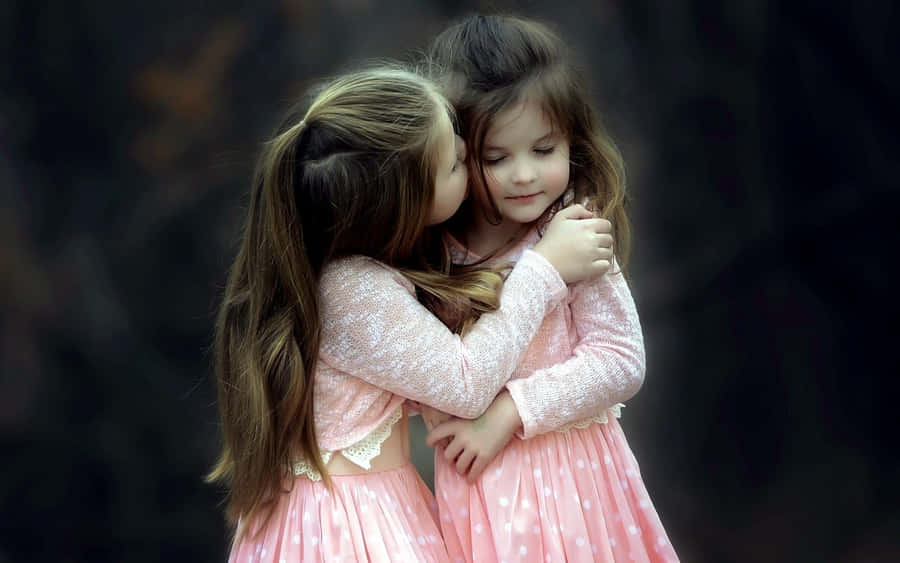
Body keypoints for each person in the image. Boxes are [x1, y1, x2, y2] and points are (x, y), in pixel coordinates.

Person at [207, 65, 610, 562]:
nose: (473, 165)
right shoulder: (353, 291)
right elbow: (464, 383)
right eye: (458, 163)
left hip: (363, 510)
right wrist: (543, 269)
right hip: (349, 530)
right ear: (405, 200)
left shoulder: (344, 280)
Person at [420, 15, 680, 562]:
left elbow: (620, 358)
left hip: (576, 487)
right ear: (457, 155)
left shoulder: (568, 233)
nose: (524, 176)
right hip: (480, 495)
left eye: (544, 149)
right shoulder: (431, 253)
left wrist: (509, 412)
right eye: (496, 158)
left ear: (572, 140)